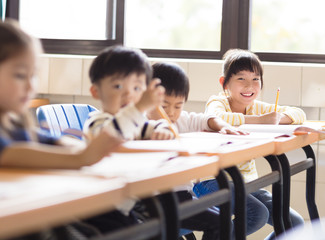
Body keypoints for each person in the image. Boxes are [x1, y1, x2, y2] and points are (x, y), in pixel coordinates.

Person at [0, 20, 134, 240]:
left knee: (115, 221)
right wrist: (82, 156)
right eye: (20, 75)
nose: (30, 85)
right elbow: (9, 154)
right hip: (13, 221)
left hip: (35, 211)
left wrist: (78, 147)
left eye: (33, 75)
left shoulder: (14, 123)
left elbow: (51, 141)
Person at [84, 49, 221, 240]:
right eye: (117, 86)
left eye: (136, 88)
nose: (128, 95)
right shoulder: (97, 122)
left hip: (137, 203)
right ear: (95, 91)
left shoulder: (138, 123)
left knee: (218, 222)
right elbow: (109, 135)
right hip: (105, 209)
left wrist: (161, 127)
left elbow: (166, 131)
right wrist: (140, 108)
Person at [193, 49, 305, 239]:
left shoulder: (257, 107)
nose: (249, 86)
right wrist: (260, 121)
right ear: (224, 83)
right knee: (257, 213)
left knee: (295, 224)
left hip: (246, 183)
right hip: (211, 180)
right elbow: (217, 117)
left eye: (255, 79)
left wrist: (278, 118)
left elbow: (299, 113)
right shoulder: (218, 102)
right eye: (241, 79)